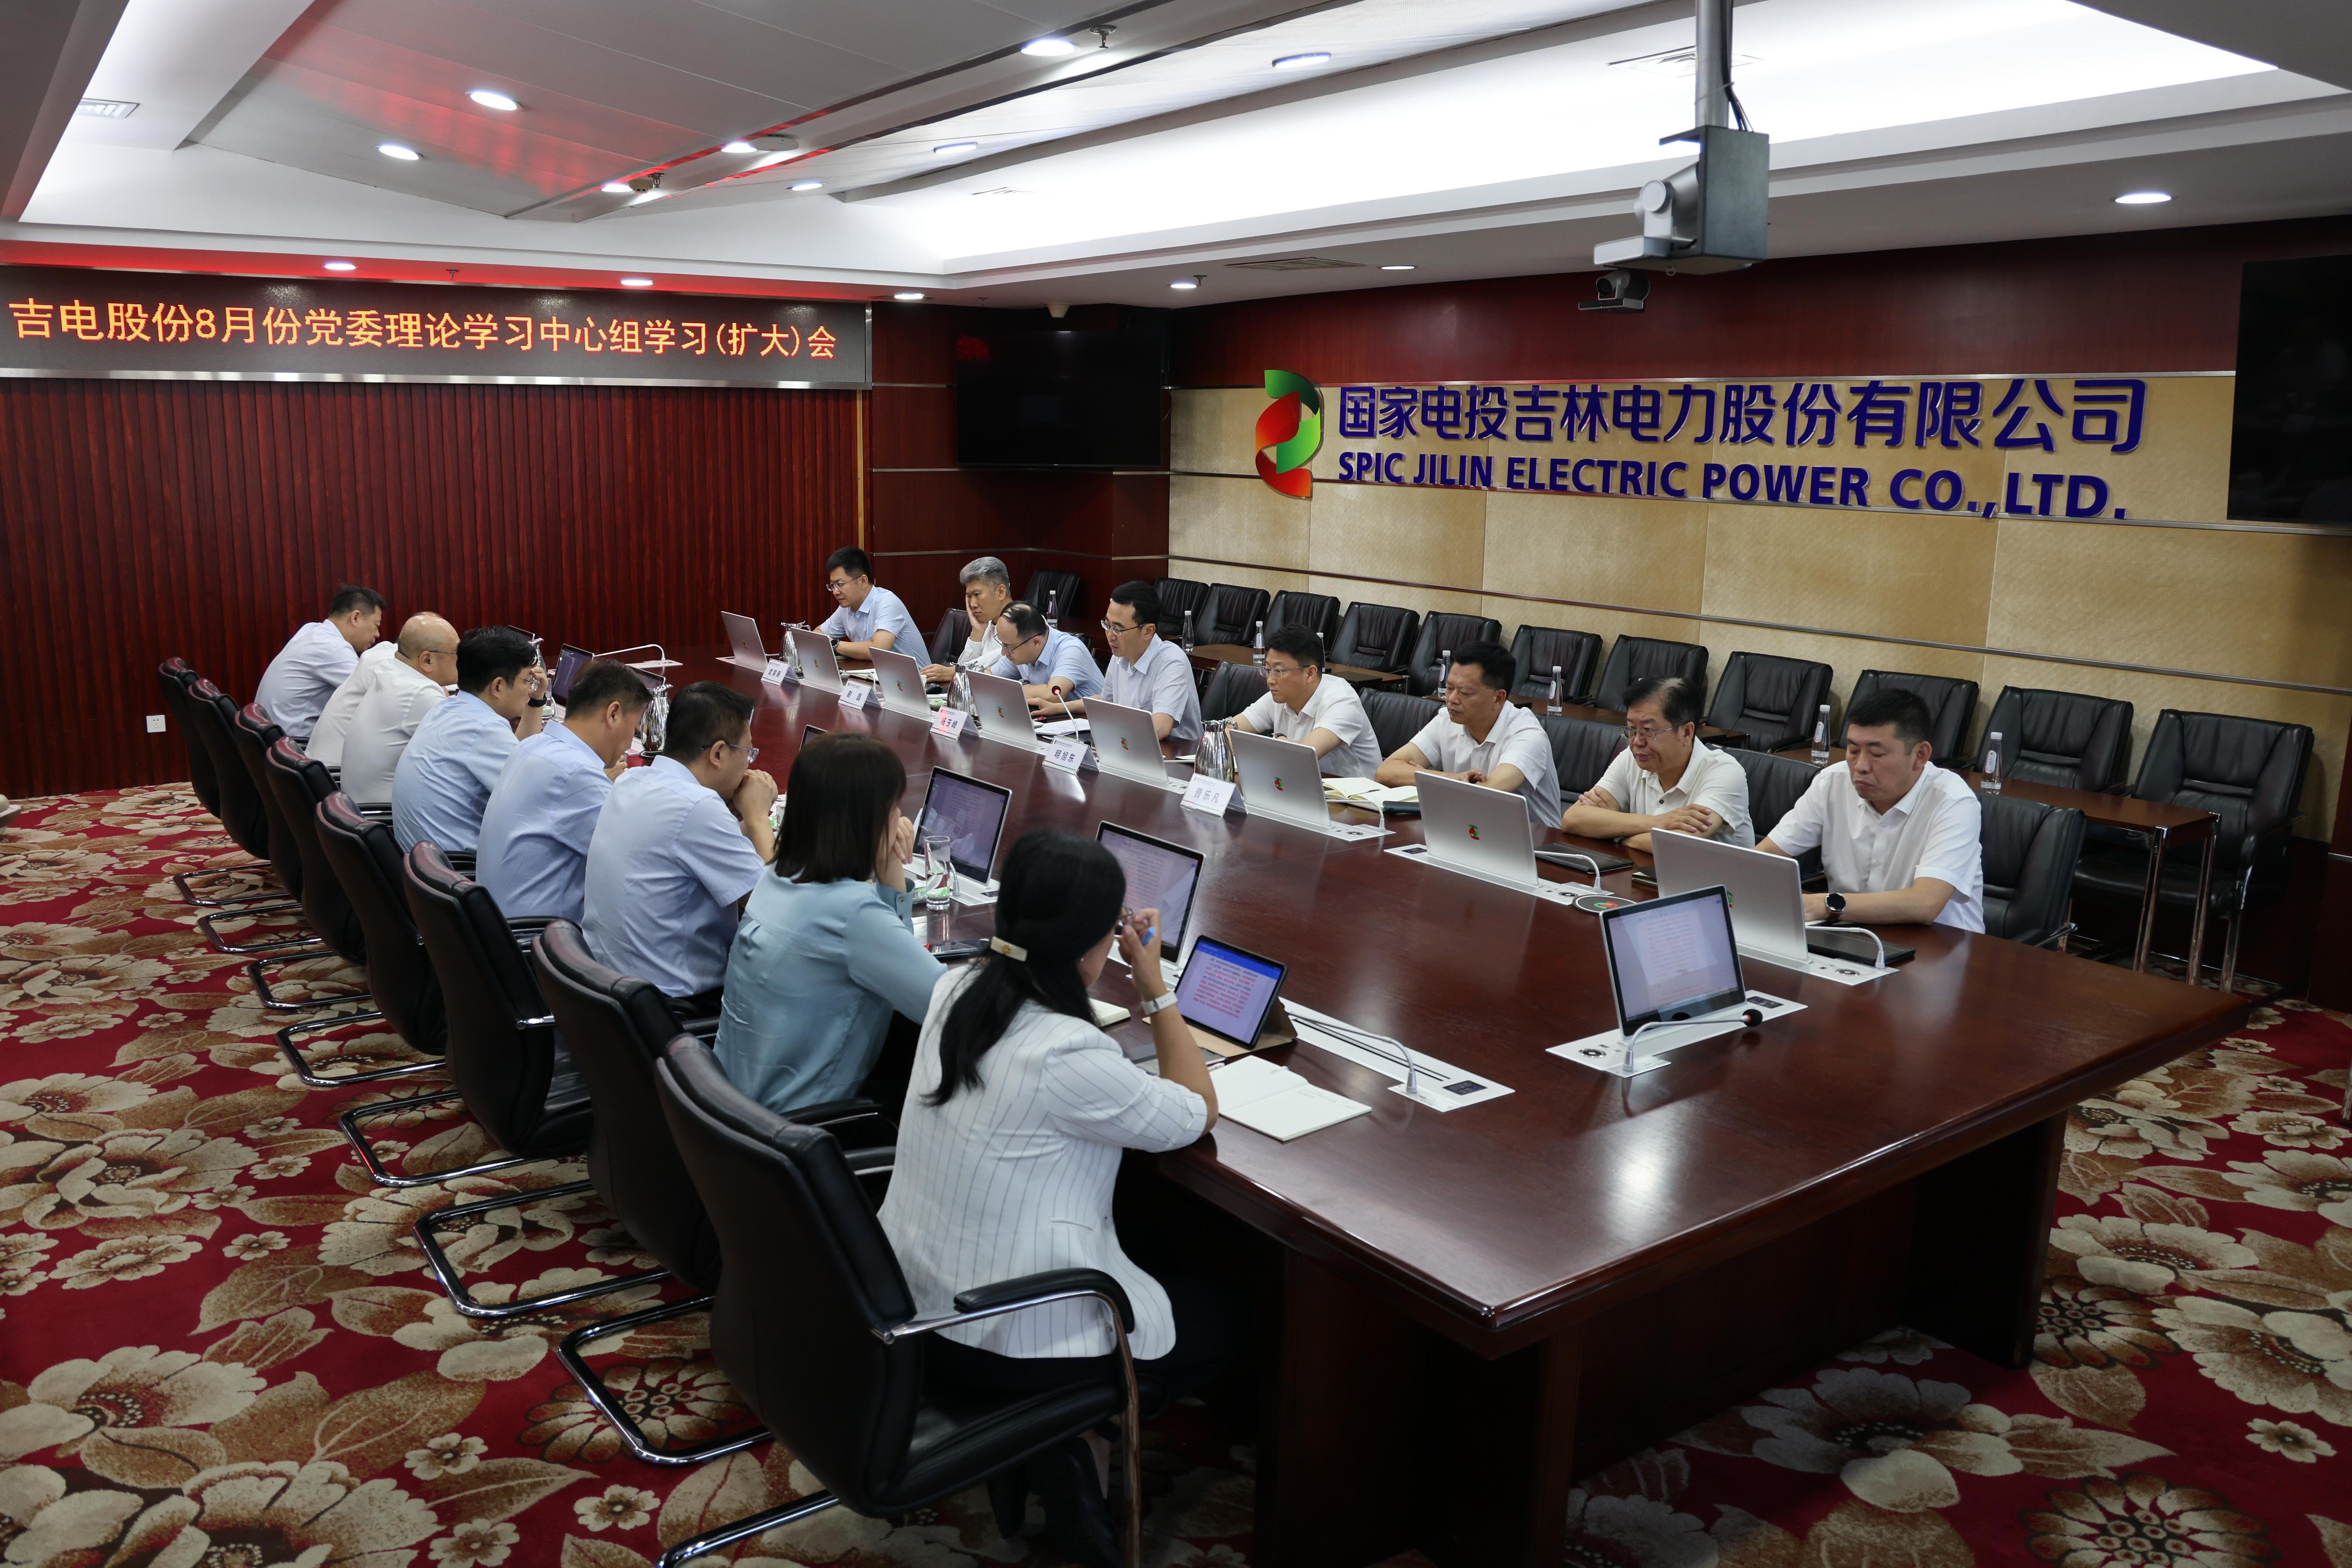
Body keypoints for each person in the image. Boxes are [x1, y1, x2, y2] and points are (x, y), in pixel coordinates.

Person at [878, 830, 1225, 1568]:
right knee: (1225, 1315)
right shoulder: (1068, 1051)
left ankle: (1062, 1444)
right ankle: (1068, 1433)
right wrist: (1155, 986)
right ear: (1092, 945)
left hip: (914, 1304)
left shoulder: (954, 988)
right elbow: (1197, 1108)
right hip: (1003, 1342)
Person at [715, 734, 944, 1114]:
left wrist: (889, 866)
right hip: (799, 1130)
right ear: (867, 819)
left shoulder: (778, 873)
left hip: (731, 1111)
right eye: (893, 807)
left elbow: (896, 962)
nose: (899, 819)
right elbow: (944, 1005)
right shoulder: (853, 913)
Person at [582, 681, 777, 1010]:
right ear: (718, 753)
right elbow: (778, 909)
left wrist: (738, 819)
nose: (750, 764)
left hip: (608, 991)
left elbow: (687, 843)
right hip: (675, 1008)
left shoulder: (632, 779)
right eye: (748, 752)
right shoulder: (698, 808)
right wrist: (758, 818)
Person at [1757, 687, 1985, 931]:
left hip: (1940, 942)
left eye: (1876, 754)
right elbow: (1764, 856)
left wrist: (1824, 904)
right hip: (1851, 932)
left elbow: (1926, 903)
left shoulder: (1953, 802)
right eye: (1853, 750)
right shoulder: (1832, 782)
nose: (1861, 766)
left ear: (1920, 755)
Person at [474, 659, 651, 923]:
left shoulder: (531, 745)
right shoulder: (578, 773)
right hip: (539, 937)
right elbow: (641, 862)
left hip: (498, 921)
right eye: (635, 729)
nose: (630, 743)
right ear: (613, 714)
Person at [390, 625, 546, 853]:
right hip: (457, 867)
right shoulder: (484, 729)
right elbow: (538, 802)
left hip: (422, 864)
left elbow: (520, 756)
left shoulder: (447, 708)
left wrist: (537, 700)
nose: (529, 689)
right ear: (498, 686)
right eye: (526, 681)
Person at [1373, 639, 1560, 827]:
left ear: (1498, 698)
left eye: (1465, 693)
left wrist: (1425, 776)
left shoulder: (1527, 735)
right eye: (1449, 688)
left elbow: (1487, 795)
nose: (1452, 700)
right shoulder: (1447, 720)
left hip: (1535, 838)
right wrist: (1451, 778)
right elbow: (1386, 771)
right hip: (1469, 827)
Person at [1560, 675, 1753, 850]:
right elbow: (1573, 819)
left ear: (1687, 732)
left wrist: (1617, 836)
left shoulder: (1724, 772)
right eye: (1631, 729)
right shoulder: (1632, 758)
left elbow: (1677, 845)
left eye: (1649, 731)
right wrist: (1657, 822)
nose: (1637, 742)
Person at [336, 614, 460, 805]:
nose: (462, 661)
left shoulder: (389, 669)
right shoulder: (420, 693)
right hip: (383, 815)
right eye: (457, 654)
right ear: (427, 660)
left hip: (354, 809)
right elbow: (465, 753)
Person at [1229, 626, 1380, 777]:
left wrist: (1272, 742)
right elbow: (1229, 730)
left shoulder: (1342, 701)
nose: (1270, 680)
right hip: (1302, 782)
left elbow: (1305, 755)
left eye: (1279, 671)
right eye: (1268, 670)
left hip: (1355, 791)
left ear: (1310, 673)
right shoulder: (1280, 695)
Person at [1070, 580, 1201, 744]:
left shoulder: (1172, 662)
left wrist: (1115, 741)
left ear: (1148, 631)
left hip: (1176, 754)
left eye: (1118, 629)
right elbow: (1106, 705)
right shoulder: (1120, 654)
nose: (1110, 636)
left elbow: (1160, 728)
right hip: (1132, 747)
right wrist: (1057, 708)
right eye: (1107, 625)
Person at [254, 584, 384, 740]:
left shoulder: (311, 630)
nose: (377, 634)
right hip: (294, 746)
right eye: (376, 625)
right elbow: (377, 695)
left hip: (273, 741)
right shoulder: (332, 648)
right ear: (355, 618)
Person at [991, 600, 1103, 712]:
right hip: (1054, 720)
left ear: (1036, 642)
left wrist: (1017, 688)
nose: (1004, 653)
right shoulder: (1018, 649)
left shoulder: (1071, 650)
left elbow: (1053, 695)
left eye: (1008, 646)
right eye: (1003, 644)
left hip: (1090, 720)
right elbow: (990, 676)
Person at [817, 546, 925, 661]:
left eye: (840, 585)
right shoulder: (847, 607)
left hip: (913, 672)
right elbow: (818, 634)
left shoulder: (887, 602)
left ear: (863, 581)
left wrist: (834, 644)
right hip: (874, 671)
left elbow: (878, 650)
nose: (835, 592)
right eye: (833, 586)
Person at [306, 638, 398, 769]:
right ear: (426, 658)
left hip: (321, 765)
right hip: (333, 771)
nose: (378, 635)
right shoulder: (388, 665)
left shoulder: (381, 652)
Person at [922, 555, 1014, 684]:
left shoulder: (1028, 624)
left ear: (1001, 592)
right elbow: (962, 680)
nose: (973, 604)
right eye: (969, 597)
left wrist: (955, 671)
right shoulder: (987, 624)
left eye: (977, 594)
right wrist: (977, 633)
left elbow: (1004, 655)